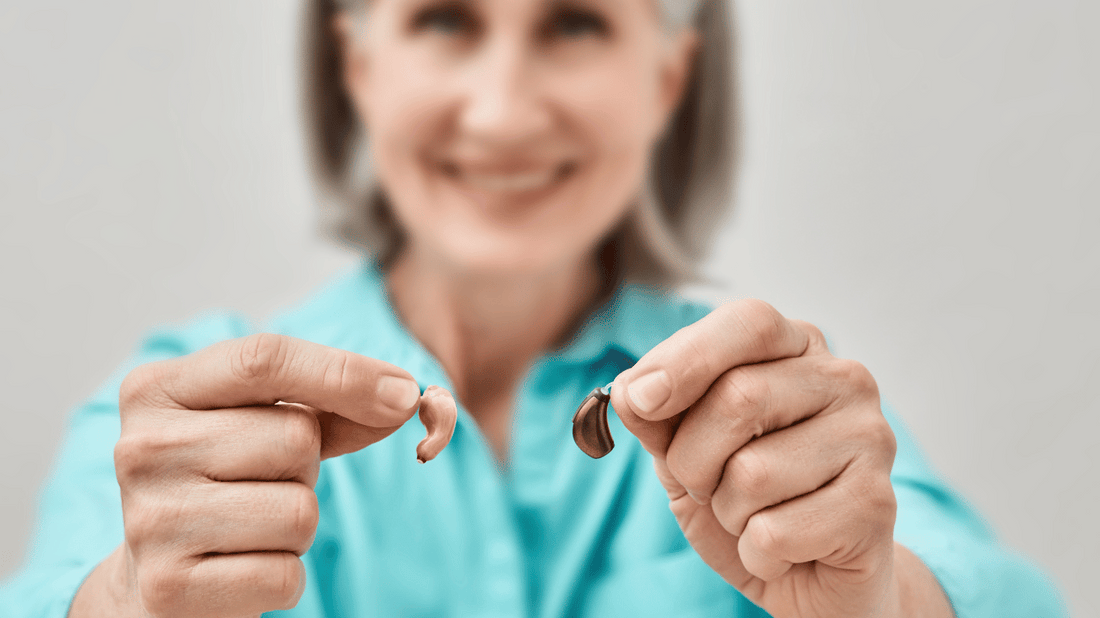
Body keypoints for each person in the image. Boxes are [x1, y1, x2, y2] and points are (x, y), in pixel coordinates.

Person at [0, 1, 1067, 616]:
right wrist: (124, 601)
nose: (504, 111)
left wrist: (876, 600)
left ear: (664, 80)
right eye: (445, 18)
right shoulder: (178, 427)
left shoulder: (777, 410)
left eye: (572, 22)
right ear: (358, 64)